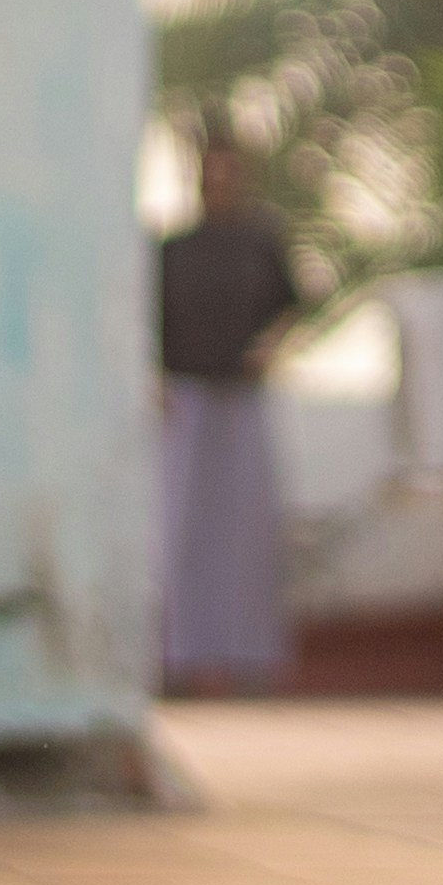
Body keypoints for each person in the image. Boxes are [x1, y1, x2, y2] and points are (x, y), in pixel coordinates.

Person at [153, 132, 301, 695]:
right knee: (182, 531)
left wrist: (268, 347)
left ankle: (252, 660)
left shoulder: (261, 241)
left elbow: (290, 307)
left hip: (243, 398)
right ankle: (180, 658)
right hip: (186, 398)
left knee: (251, 532)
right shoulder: (174, 248)